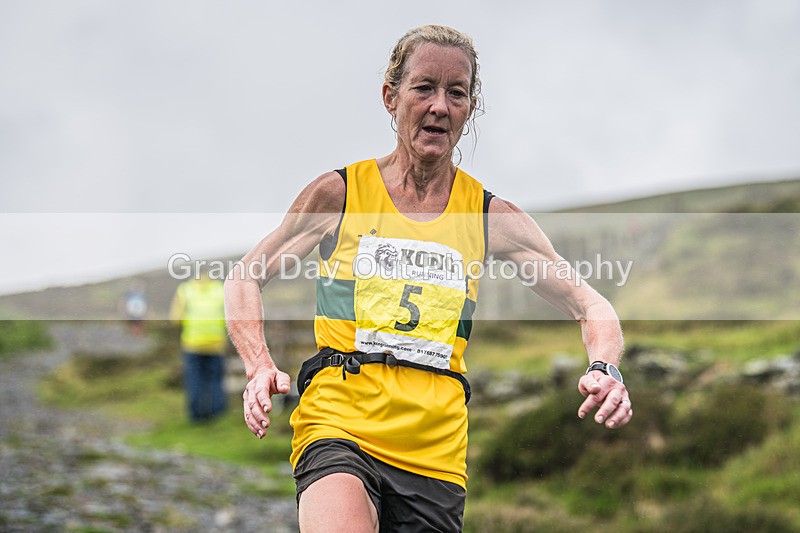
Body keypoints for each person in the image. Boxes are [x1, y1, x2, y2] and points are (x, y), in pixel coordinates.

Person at [224, 24, 632, 532]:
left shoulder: (487, 217)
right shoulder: (341, 194)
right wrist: (258, 364)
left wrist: (606, 368)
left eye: (456, 93)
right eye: (424, 88)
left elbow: (589, 304)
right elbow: (245, 277)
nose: (439, 105)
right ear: (390, 97)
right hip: (339, 422)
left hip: (434, 454)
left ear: (470, 108)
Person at [170, 269, 228, 422]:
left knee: (194, 379)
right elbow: (230, 315)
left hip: (192, 343)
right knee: (214, 379)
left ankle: (196, 416)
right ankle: (217, 414)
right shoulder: (220, 289)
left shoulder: (185, 290)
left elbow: (175, 318)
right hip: (216, 342)